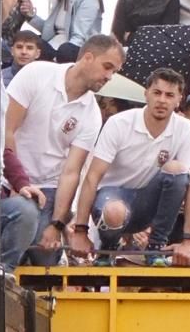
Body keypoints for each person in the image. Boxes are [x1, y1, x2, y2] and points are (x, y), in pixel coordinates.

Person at [58, 68, 190, 260]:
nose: (162, 100)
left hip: (149, 203)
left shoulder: (185, 128)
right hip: (112, 201)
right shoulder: (119, 122)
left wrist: (189, 240)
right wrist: (81, 230)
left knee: (179, 172)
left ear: (179, 100)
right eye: (157, 93)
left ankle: (156, 247)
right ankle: (109, 247)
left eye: (169, 95)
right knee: (115, 211)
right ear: (146, 93)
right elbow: (92, 178)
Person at [7, 36, 124, 252]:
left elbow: (72, 172)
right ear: (88, 57)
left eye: (114, 72)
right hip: (7, 179)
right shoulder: (36, 73)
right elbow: (7, 131)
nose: (109, 76)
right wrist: (18, 182)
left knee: (45, 256)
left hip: (49, 188)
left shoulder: (92, 114)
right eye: (107, 67)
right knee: (17, 240)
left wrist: (57, 223)